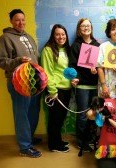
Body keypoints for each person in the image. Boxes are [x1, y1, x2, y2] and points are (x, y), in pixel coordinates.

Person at [0, 9, 42, 158]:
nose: (20, 22)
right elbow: (2, 62)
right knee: (21, 113)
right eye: (17, 20)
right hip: (18, 82)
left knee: (33, 111)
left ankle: (28, 137)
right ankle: (24, 146)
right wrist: (18, 60)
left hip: (34, 81)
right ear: (11, 21)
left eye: (23, 19)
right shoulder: (5, 38)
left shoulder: (29, 37)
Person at [69, 18, 100, 151]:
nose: (86, 28)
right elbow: (72, 65)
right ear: (79, 29)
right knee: (82, 114)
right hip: (82, 86)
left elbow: (100, 66)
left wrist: (95, 71)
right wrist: (76, 78)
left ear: (91, 28)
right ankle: (81, 141)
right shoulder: (75, 45)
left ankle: (91, 138)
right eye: (83, 26)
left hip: (94, 85)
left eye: (88, 25)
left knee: (93, 113)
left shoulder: (97, 45)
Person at [41, 24, 72, 152]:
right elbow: (47, 72)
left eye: (63, 34)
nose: (61, 37)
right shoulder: (48, 50)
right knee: (55, 118)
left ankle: (57, 140)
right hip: (56, 90)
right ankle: (53, 145)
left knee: (60, 117)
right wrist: (52, 91)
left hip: (67, 88)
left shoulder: (66, 50)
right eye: (57, 34)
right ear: (53, 36)